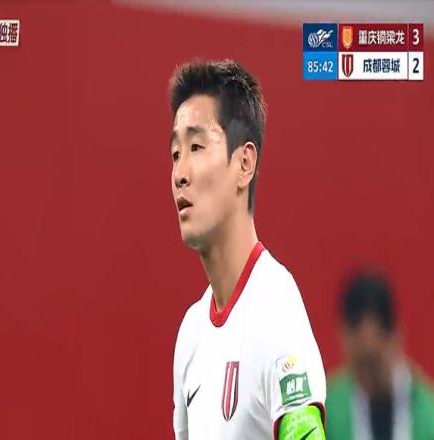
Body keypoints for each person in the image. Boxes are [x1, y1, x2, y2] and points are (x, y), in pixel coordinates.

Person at [169, 59, 326, 440]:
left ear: (244, 163)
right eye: (175, 154)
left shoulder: (276, 307)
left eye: (196, 146)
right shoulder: (191, 334)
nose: (179, 174)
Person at [326, 270, 434, 440]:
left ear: (397, 336)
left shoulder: (428, 415)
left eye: (374, 363)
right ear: (343, 338)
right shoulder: (328, 414)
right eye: (361, 365)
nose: (369, 377)